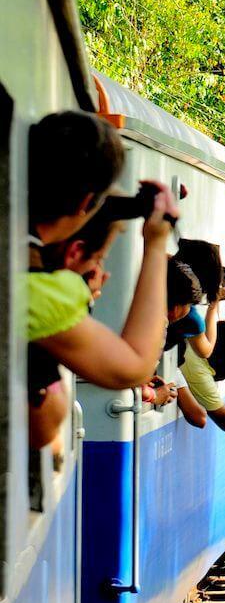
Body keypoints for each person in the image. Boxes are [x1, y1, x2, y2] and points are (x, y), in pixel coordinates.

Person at [27, 112, 177, 453]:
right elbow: (135, 367)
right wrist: (155, 243)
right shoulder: (39, 290)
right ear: (84, 202)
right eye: (98, 260)